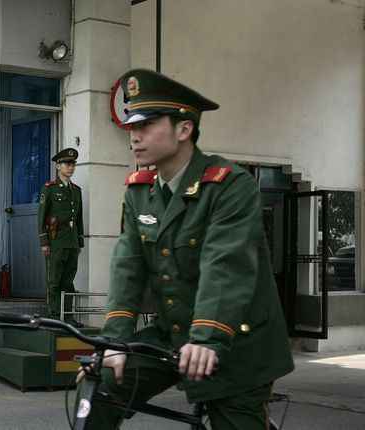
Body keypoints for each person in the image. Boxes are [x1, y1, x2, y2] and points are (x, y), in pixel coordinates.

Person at [76, 68, 294, 429]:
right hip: (173, 332)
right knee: (99, 386)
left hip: (236, 340)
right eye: (132, 126)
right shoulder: (138, 191)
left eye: (146, 125)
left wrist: (207, 336)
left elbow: (225, 263)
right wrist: (113, 342)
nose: (135, 135)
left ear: (184, 129)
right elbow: (127, 269)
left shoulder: (229, 185)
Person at [38, 148, 85, 327]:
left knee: (68, 281)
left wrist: (79, 242)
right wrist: (44, 241)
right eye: (67, 164)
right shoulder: (49, 189)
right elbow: (41, 217)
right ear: (58, 166)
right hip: (55, 240)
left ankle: (68, 318)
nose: (71, 167)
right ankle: (55, 316)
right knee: (54, 280)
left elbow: (79, 218)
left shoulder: (76, 190)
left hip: (71, 242)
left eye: (73, 164)